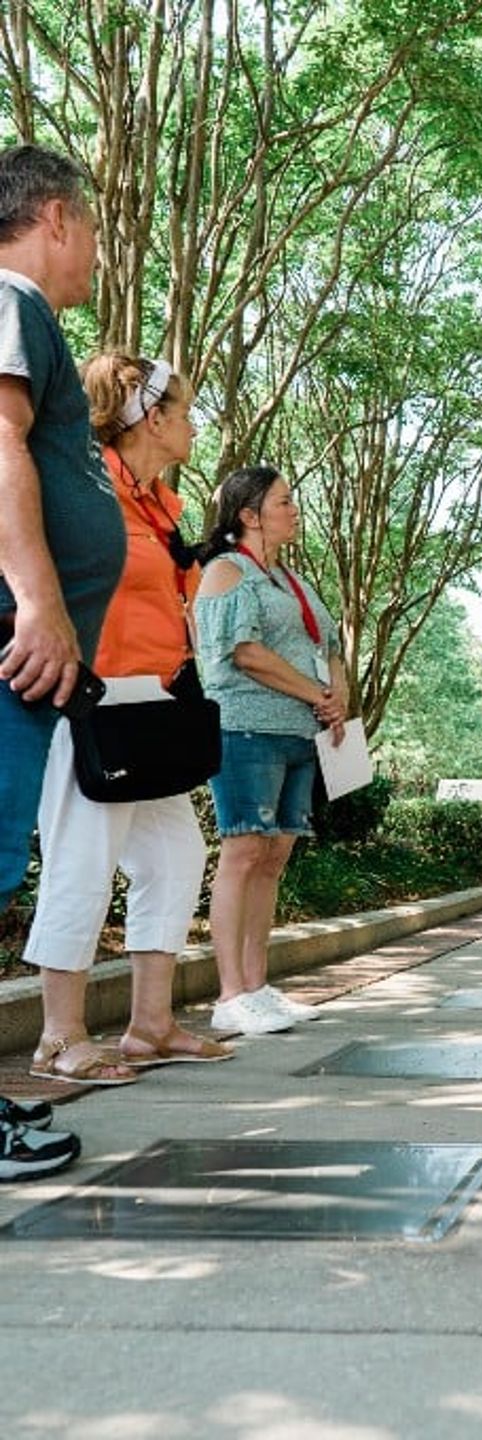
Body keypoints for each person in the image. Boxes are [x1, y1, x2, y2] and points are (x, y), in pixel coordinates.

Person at [25, 354, 232, 1083]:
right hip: (86, 703)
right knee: (82, 864)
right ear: (153, 416)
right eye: (185, 409)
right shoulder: (85, 493)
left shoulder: (156, 505)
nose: (195, 423)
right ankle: (59, 1037)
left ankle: (150, 1025)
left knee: (177, 856)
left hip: (148, 704)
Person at [0, 143, 125, 1178]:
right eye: (87, 225)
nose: (93, 248)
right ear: (50, 216)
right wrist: (40, 599)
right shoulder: (9, 297)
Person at [193, 465, 347, 1035]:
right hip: (245, 729)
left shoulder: (292, 579)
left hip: (298, 734)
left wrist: (338, 697)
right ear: (249, 515)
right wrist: (317, 693)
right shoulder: (227, 573)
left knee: (274, 858)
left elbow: (327, 643)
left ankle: (258, 986)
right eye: (284, 501)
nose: (294, 509)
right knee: (243, 853)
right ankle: (230, 994)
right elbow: (244, 652)